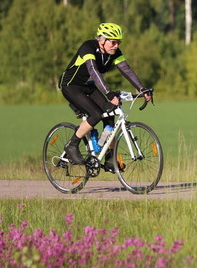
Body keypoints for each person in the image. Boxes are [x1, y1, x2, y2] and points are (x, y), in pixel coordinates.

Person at [58, 22, 152, 171]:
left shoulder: (114, 53)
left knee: (110, 114)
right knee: (96, 114)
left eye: (118, 42)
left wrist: (142, 88)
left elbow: (126, 70)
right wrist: (109, 93)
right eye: (113, 42)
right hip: (71, 86)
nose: (116, 45)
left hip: (89, 87)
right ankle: (72, 145)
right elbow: (93, 71)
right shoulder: (88, 47)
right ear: (102, 40)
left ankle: (108, 157)